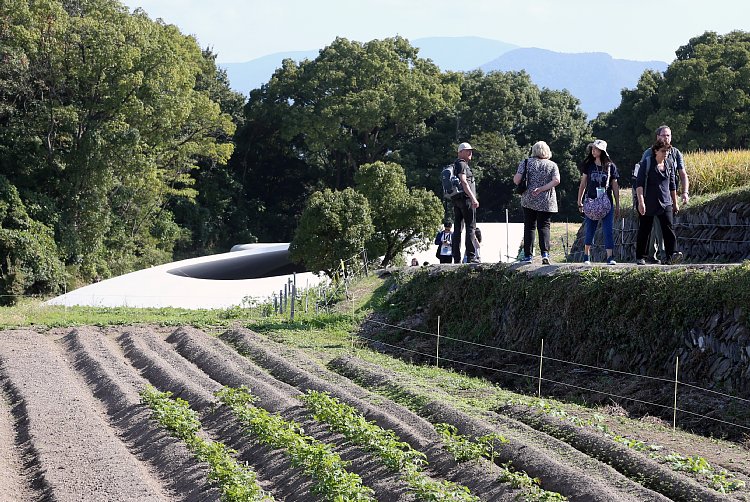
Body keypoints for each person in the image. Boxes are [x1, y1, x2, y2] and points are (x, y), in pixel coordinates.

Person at [640, 125, 690, 263]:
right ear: (657, 137)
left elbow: (682, 174)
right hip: (651, 197)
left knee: (663, 226)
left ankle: (655, 255)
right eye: (663, 135)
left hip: (667, 196)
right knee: (657, 227)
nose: (666, 138)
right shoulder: (648, 154)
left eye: (668, 135)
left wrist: (684, 193)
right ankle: (664, 255)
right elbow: (640, 178)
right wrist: (640, 199)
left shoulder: (676, 153)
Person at [513, 141, 560, 264]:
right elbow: (556, 180)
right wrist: (542, 189)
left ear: (534, 150)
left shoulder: (526, 162)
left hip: (529, 199)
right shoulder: (552, 165)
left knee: (529, 226)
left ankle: (528, 256)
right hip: (546, 200)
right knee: (544, 226)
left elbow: (517, 180)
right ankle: (545, 254)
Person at [577, 139, 620, 265]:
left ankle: (610, 257)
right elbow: (583, 183)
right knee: (590, 228)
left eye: (596, 148)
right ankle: (586, 255)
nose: (593, 150)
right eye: (592, 148)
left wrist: (617, 204)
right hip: (591, 201)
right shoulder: (589, 165)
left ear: (602, 151)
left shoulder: (610, 167)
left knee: (608, 229)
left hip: (606, 202)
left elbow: (615, 186)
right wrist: (579, 200)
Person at [451, 142, 480, 263]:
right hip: (465, 199)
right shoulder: (462, 164)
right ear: (460, 152)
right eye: (467, 150)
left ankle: (456, 258)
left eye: (471, 151)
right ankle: (471, 256)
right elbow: (463, 181)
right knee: (470, 226)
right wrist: (473, 197)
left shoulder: (455, 164)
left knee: (458, 228)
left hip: (456, 199)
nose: (470, 153)